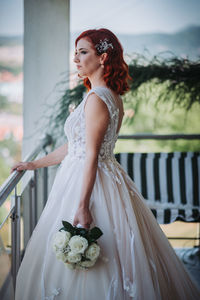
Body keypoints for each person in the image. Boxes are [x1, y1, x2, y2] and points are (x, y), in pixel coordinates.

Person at [13, 28, 200, 300]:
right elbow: (74, 146)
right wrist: (33, 164)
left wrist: (82, 205)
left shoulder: (97, 98)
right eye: (75, 53)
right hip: (96, 176)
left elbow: (90, 155)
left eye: (83, 52)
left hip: (89, 183)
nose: (76, 59)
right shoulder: (106, 95)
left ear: (102, 58)